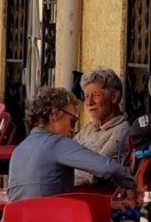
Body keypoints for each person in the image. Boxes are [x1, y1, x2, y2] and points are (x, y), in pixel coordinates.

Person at [7, 85, 137, 201]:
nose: (73, 130)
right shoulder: (57, 144)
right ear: (55, 115)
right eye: (72, 121)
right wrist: (133, 185)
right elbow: (109, 168)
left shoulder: (19, 150)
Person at [74, 68, 131, 176]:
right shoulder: (90, 127)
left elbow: (96, 172)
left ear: (114, 97)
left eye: (95, 95)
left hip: (91, 190)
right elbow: (66, 155)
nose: (89, 102)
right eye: (86, 96)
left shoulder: (121, 130)